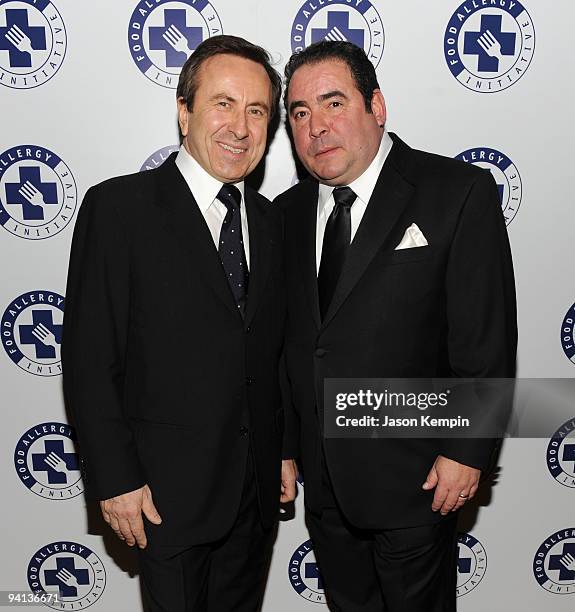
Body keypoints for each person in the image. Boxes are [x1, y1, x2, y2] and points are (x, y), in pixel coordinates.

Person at [276, 41, 517, 611]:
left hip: (419, 479)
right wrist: (283, 446)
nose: (316, 127)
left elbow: (485, 340)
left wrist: (468, 451)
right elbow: (287, 346)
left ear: (376, 106)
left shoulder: (456, 193)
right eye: (300, 113)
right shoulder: (282, 215)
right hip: (327, 488)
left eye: (333, 103)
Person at [62, 35, 297, 611]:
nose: (240, 127)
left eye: (257, 110)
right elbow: (91, 359)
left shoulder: (274, 223)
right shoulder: (118, 210)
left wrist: (284, 450)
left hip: (255, 492)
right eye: (223, 104)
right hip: (161, 494)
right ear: (184, 110)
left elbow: (277, 352)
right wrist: (115, 480)